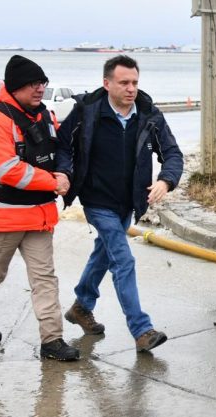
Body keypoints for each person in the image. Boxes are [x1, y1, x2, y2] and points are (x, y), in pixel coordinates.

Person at [0, 55, 80, 361]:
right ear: (15, 86)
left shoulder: (44, 115)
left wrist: (64, 173)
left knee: (45, 278)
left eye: (42, 83)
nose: (40, 89)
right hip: (2, 218)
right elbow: (9, 170)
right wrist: (53, 181)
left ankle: (52, 340)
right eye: (33, 84)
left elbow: (57, 151)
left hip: (38, 216)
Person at [55, 55, 183, 353]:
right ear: (107, 83)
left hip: (129, 202)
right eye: (124, 82)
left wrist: (165, 180)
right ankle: (141, 329)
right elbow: (63, 145)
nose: (131, 88)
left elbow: (173, 153)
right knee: (123, 259)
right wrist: (63, 173)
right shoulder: (86, 112)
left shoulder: (149, 115)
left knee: (104, 252)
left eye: (135, 82)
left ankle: (81, 306)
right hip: (97, 200)